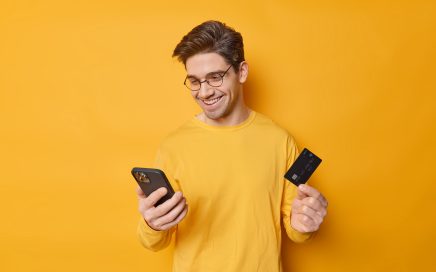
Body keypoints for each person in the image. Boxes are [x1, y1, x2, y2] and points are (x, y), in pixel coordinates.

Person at [136, 20, 328, 271]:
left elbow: (295, 229)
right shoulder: (173, 147)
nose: (204, 92)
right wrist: (152, 225)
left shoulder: (280, 141)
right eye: (194, 81)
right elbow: (154, 243)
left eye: (215, 78)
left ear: (242, 72)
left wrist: (307, 222)